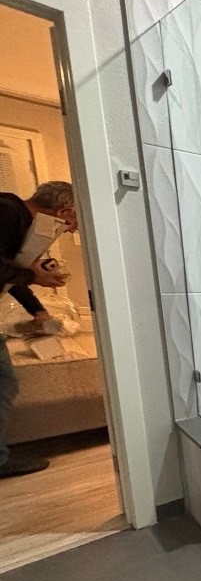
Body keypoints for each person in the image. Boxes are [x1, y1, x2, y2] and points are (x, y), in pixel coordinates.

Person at [0, 181, 76, 478]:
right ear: (63, 211)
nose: (71, 229)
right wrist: (34, 276)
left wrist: (39, 311)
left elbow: (9, 273)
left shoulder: (15, 218)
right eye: (73, 222)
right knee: (4, 381)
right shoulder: (8, 213)